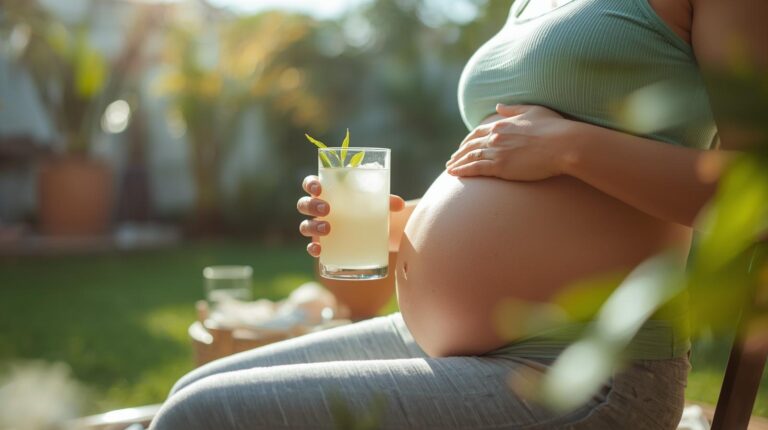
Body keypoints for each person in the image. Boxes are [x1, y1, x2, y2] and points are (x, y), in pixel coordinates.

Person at [151, 0, 765, 428]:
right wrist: (402, 225)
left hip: (583, 375)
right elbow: (525, 174)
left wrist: (570, 146)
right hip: (455, 351)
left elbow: (756, 190)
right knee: (190, 391)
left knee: (198, 418)